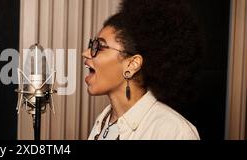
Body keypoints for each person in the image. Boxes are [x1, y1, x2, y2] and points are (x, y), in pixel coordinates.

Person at [84, 0, 201, 140]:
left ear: (132, 64)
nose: (85, 53)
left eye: (100, 46)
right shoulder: (103, 121)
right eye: (92, 45)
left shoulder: (174, 133)